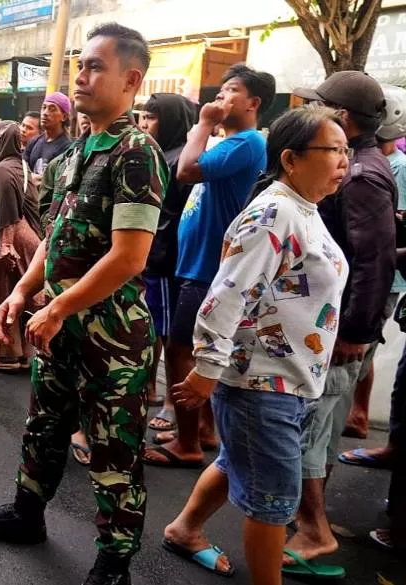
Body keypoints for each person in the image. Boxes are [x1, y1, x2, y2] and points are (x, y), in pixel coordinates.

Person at [0, 23, 166, 585]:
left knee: (113, 449)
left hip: (112, 333)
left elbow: (129, 257)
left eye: (96, 66)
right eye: (80, 65)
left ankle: (114, 561)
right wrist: (23, 292)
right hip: (59, 322)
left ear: (131, 80)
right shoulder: (76, 153)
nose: (81, 76)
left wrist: (56, 308)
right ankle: (27, 514)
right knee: (45, 424)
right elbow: (55, 236)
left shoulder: (136, 153)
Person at [162, 104, 350, 585]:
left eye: (346, 150)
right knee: (274, 500)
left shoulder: (303, 208)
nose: (344, 161)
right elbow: (227, 293)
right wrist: (207, 368)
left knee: (236, 461)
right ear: (290, 159)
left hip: (288, 380)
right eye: (334, 150)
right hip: (261, 384)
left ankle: (184, 529)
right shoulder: (275, 212)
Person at [285, 71, 398, 570]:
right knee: (321, 424)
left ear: (344, 117)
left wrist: (354, 331)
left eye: (321, 105)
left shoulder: (360, 175)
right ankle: (303, 519)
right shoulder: (354, 165)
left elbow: (374, 261)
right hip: (332, 322)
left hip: (338, 327)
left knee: (314, 428)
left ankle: (314, 532)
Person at [146, 63, 274, 468]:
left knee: (181, 350)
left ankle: (187, 443)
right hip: (196, 263)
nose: (221, 96)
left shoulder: (246, 142)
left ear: (253, 103)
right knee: (197, 349)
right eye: (220, 90)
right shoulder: (231, 142)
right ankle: (202, 428)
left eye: (231, 90)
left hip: (206, 269)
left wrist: (202, 122)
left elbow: (185, 171)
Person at [339, 83, 406, 469]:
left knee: (356, 359)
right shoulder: (369, 162)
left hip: (383, 281)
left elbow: (381, 241)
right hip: (381, 276)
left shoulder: (377, 170)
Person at [136, 93, 196, 428]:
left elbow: (173, 215)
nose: (145, 124)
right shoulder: (161, 154)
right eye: (143, 117)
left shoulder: (177, 160)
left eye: (152, 117)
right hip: (156, 258)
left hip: (167, 259)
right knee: (157, 328)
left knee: (172, 337)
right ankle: (153, 389)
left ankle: (173, 403)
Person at [0, 121, 41, 372]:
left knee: (0, 294)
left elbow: (7, 212)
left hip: (13, 238)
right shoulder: (22, 166)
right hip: (31, 239)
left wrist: (5, 245)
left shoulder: (3, 170)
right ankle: (25, 354)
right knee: (23, 297)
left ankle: (6, 355)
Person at [24, 92, 72, 195]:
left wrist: (38, 180)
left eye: (52, 109)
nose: (45, 113)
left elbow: (61, 181)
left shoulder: (68, 147)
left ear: (64, 116)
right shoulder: (34, 142)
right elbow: (22, 170)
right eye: (44, 108)